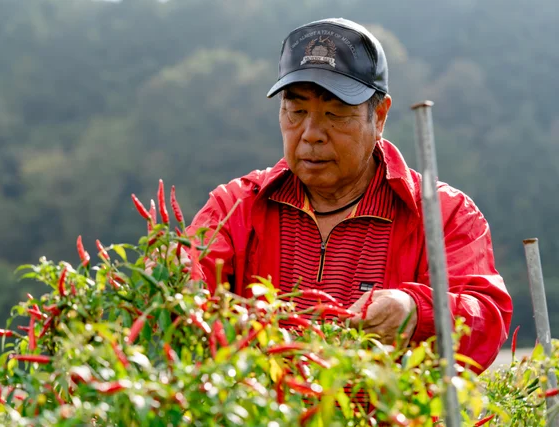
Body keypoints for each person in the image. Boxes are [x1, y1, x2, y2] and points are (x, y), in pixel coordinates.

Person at [187, 18, 512, 372]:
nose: (311, 134)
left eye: (336, 113)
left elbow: (486, 318)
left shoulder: (443, 214)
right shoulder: (237, 205)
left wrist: (415, 310)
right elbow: (187, 283)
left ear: (380, 116)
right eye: (296, 111)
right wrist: (171, 275)